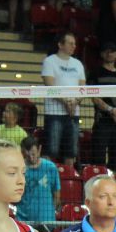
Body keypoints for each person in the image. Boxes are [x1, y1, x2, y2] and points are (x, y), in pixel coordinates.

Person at [40, 32, 85, 168]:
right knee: (51, 150)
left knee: (71, 152)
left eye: (75, 44)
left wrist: (75, 102)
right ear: (60, 45)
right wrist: (65, 101)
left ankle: (69, 177)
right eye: (70, 43)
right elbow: (50, 84)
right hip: (54, 113)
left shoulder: (78, 64)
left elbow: (83, 88)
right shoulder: (50, 61)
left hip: (73, 114)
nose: (74, 46)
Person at [89, 43, 116, 170]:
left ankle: (112, 179)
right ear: (102, 54)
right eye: (107, 51)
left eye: (112, 51)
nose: (109, 54)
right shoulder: (95, 73)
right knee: (98, 155)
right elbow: (94, 96)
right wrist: (110, 110)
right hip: (102, 121)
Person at [17, 136, 60, 227]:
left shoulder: (50, 168)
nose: (31, 158)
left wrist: (49, 212)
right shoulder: (19, 168)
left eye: (33, 154)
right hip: (23, 221)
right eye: (27, 155)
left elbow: (57, 195)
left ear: (39, 149)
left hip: (47, 221)